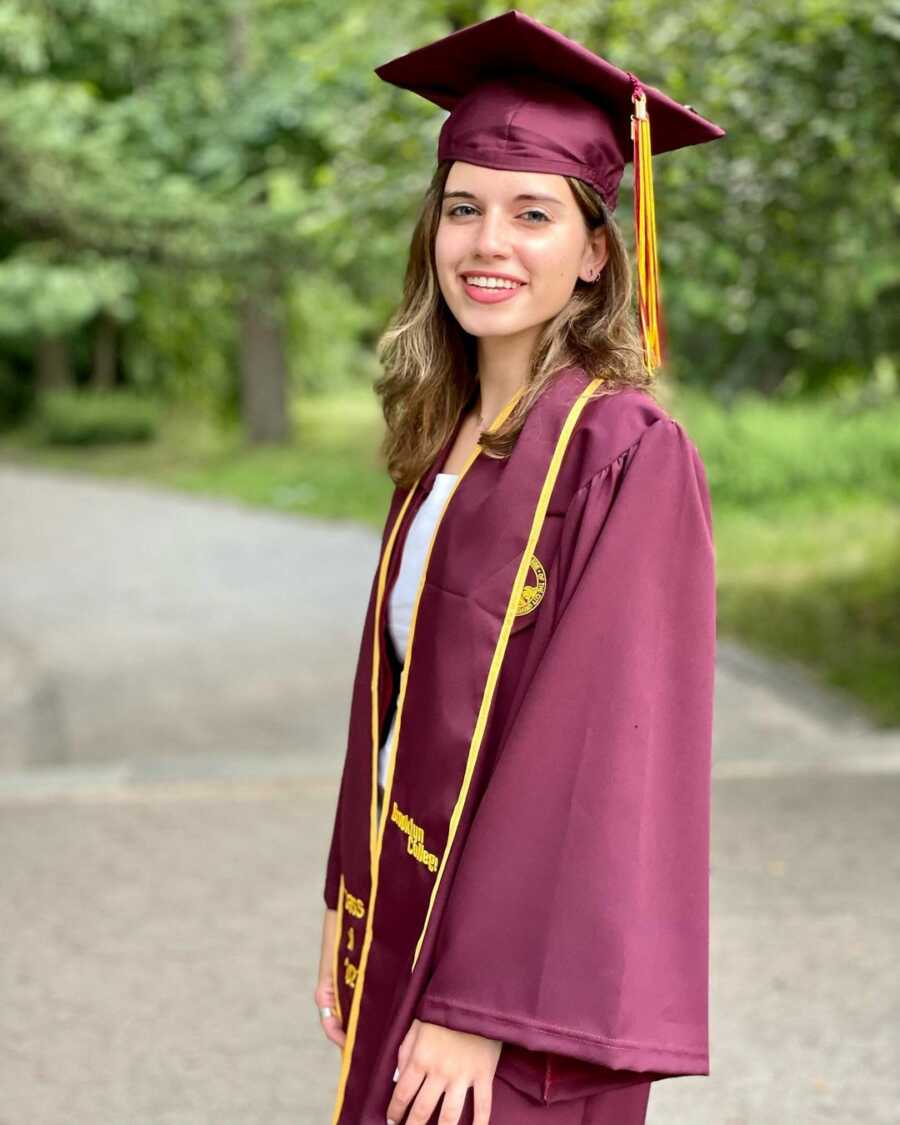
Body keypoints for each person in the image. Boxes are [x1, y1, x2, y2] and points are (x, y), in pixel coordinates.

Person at [314, 10, 725, 1124]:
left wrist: (478, 1008)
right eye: (464, 209)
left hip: (515, 999)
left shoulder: (625, 451)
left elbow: (601, 751)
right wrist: (351, 905)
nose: (487, 245)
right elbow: (401, 711)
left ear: (596, 251)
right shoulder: (437, 445)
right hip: (412, 928)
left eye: (532, 213)